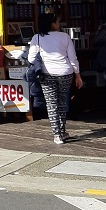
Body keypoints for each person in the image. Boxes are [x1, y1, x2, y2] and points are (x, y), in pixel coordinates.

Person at [27, 13, 83, 144]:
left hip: (47, 74)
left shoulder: (37, 38)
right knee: (62, 102)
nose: (59, 24)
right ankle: (62, 132)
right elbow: (73, 58)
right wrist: (78, 75)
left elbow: (30, 58)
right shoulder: (65, 37)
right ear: (52, 23)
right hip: (65, 73)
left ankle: (57, 135)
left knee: (51, 104)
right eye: (58, 22)